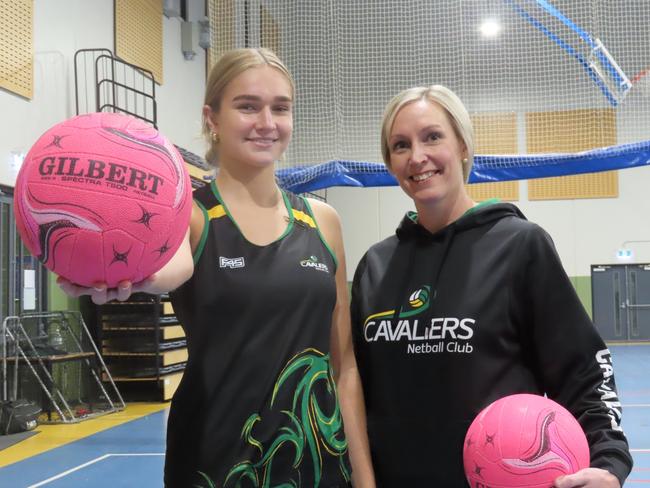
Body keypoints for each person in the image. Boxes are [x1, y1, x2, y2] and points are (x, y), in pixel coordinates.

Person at [59, 48, 375, 488]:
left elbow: (345, 370)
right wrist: (126, 279)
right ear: (212, 117)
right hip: (215, 460)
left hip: (315, 462)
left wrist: (364, 479)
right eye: (248, 106)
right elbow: (171, 270)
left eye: (280, 108)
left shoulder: (323, 222)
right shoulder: (188, 216)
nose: (267, 122)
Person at [350, 85, 633, 487]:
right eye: (400, 145)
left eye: (432, 137)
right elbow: (353, 390)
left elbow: (584, 370)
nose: (417, 157)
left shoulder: (520, 246)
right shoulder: (375, 266)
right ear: (391, 164)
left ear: (464, 146)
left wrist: (607, 463)